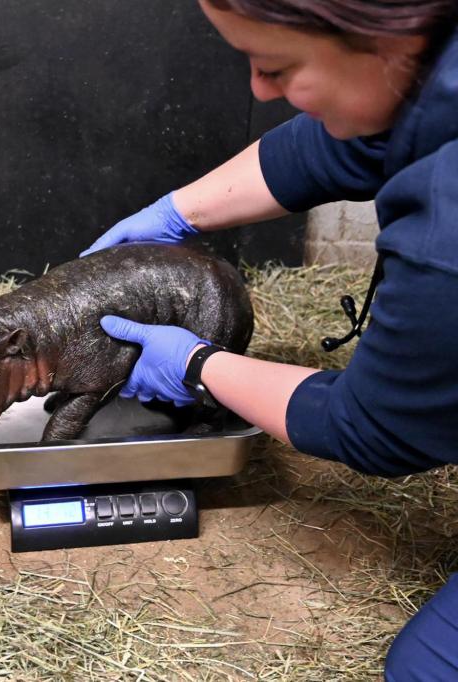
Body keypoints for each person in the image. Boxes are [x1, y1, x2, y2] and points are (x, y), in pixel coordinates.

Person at [80, 1, 458, 678]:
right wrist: (174, 214)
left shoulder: (448, 233)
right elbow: (348, 141)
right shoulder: (430, 57)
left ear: (385, 41)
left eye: (277, 66)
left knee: (427, 668)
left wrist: (194, 365)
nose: (258, 89)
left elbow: (376, 426)